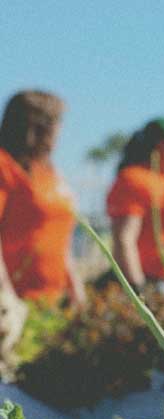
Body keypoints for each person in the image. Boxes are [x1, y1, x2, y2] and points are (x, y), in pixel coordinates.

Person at [0, 90, 84, 308]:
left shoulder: (48, 172)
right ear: (37, 127)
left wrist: (75, 286)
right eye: (57, 123)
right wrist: (6, 297)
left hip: (53, 299)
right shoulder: (5, 167)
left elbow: (58, 234)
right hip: (14, 301)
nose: (60, 131)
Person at [106, 117, 164, 288]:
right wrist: (137, 287)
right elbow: (124, 238)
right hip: (146, 279)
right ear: (161, 146)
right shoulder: (134, 179)